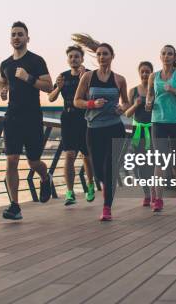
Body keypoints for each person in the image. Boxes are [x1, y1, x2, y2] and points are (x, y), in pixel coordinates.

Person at [0, 21, 54, 220]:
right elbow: (2, 79)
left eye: (20, 34)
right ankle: (15, 206)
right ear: (10, 38)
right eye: (13, 34)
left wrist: (28, 78)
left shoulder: (36, 61)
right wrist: (3, 90)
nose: (16, 37)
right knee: (11, 159)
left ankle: (45, 177)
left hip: (32, 117)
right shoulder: (5, 64)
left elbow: (49, 86)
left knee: (33, 162)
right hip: (12, 117)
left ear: (27, 38)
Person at [73, 34, 129, 221]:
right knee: (98, 170)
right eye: (98, 54)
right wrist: (92, 104)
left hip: (115, 128)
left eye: (105, 54)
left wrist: (122, 108)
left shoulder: (119, 79)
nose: (101, 57)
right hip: (94, 129)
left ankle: (107, 208)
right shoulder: (88, 77)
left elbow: (127, 103)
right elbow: (76, 101)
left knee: (111, 168)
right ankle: (106, 187)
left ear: (112, 56)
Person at [145, 45, 176, 212]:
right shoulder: (153, 76)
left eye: (169, 54)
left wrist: (174, 91)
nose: (166, 56)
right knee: (160, 160)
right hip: (158, 122)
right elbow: (150, 95)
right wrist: (148, 103)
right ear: (160, 56)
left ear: (174, 57)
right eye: (163, 53)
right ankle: (158, 199)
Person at [48, 45, 95, 205]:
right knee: (69, 155)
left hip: (86, 119)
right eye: (71, 57)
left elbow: (92, 97)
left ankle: (90, 185)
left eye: (76, 56)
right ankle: (70, 192)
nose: (73, 59)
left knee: (87, 156)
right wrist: (59, 87)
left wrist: (84, 80)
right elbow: (51, 98)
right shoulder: (63, 76)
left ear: (82, 59)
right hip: (68, 119)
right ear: (68, 59)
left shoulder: (88, 75)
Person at [124, 61, 154, 207]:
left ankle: (154, 192)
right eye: (142, 71)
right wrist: (136, 105)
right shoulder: (133, 91)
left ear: (151, 74)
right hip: (138, 132)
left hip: (153, 130)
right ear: (139, 73)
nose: (144, 74)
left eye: (147, 71)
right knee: (140, 164)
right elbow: (127, 113)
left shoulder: (155, 90)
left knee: (153, 164)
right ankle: (146, 194)